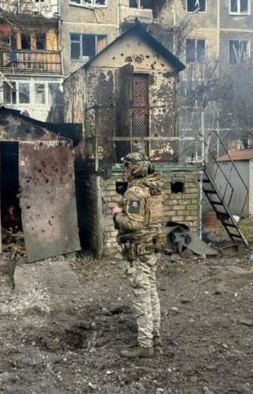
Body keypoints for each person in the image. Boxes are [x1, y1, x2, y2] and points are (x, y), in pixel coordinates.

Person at [112, 152, 165, 358]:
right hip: (151, 247)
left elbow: (133, 223)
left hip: (138, 250)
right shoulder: (154, 188)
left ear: (133, 169)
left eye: (126, 167)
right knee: (151, 290)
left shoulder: (134, 193)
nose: (124, 171)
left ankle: (145, 345)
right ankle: (155, 335)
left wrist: (117, 214)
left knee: (141, 296)